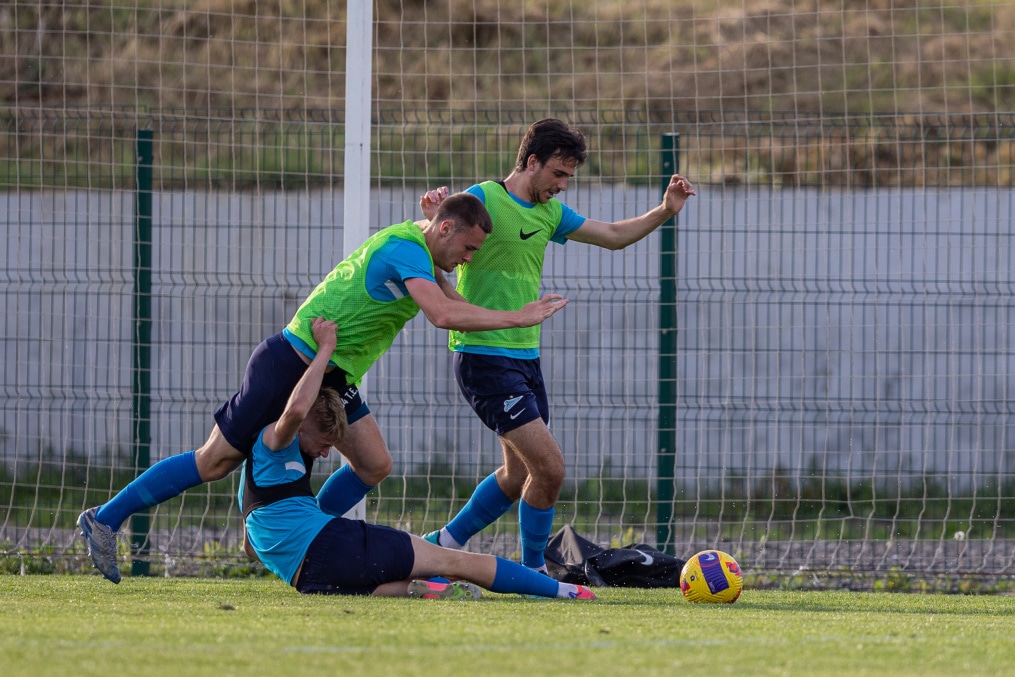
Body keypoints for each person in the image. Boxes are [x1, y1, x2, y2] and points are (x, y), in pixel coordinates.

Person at [78, 193, 569, 584]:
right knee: (214, 462)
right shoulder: (405, 250)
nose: (467, 260)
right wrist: (518, 316)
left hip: (334, 372)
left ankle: (308, 529)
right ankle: (105, 517)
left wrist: (499, 309)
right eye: (466, 249)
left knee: (375, 463)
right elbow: (443, 315)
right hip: (291, 361)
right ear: (444, 229)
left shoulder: (418, 247)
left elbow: (450, 295)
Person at [420, 119, 696, 572]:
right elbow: (434, 244)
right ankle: (533, 575)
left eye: (569, 177)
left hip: (525, 357)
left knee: (516, 476)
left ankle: (439, 545)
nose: (564, 186)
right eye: (559, 175)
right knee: (550, 469)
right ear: (532, 162)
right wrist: (432, 216)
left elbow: (611, 237)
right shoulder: (484, 198)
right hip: (483, 356)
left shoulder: (548, 213)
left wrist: (665, 209)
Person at [242, 314, 595, 600]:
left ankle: (428, 590)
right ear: (301, 425)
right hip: (337, 545)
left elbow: (250, 550)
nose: (325, 452)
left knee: (382, 587)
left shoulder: (255, 486)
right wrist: (326, 349)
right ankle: (565, 591)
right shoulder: (278, 439)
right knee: (456, 561)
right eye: (324, 442)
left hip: (313, 581)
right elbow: (296, 409)